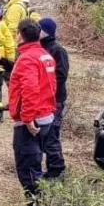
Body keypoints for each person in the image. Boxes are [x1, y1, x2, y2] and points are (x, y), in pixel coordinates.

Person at [9, 19, 57, 206]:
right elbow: (52, 86)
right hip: (46, 117)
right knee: (35, 165)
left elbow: (30, 89)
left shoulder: (27, 59)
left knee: (28, 168)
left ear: (20, 35)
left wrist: (28, 119)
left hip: (32, 121)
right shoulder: (45, 55)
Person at [38, 18, 69, 180]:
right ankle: (52, 168)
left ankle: (57, 169)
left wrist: (44, 82)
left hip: (55, 100)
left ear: (46, 31)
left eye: (39, 28)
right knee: (45, 134)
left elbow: (61, 75)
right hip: (44, 99)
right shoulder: (41, 49)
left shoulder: (58, 51)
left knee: (51, 134)